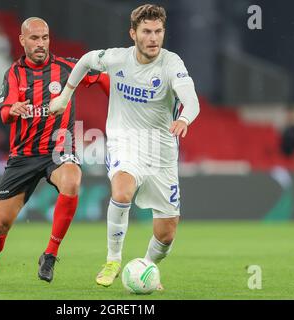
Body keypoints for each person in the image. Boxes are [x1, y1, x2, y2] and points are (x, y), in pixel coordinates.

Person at [50, 4, 200, 289]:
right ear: (133, 33)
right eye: (146, 31)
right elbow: (85, 61)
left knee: (166, 233)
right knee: (122, 190)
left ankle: (147, 267)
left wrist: (183, 118)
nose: (153, 38)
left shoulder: (171, 63)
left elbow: (191, 99)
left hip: (161, 150)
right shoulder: (117, 59)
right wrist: (66, 95)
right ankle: (113, 259)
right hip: (125, 140)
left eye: (158, 31)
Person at [0, 17, 108, 285]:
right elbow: (5, 111)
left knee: (73, 179)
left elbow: (102, 78)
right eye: (34, 38)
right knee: (0, 224)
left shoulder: (67, 67)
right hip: (24, 156)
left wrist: (122, 104)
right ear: (22, 40)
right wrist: (13, 110)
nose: (41, 43)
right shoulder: (14, 74)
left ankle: (50, 254)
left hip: (59, 149)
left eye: (45, 38)